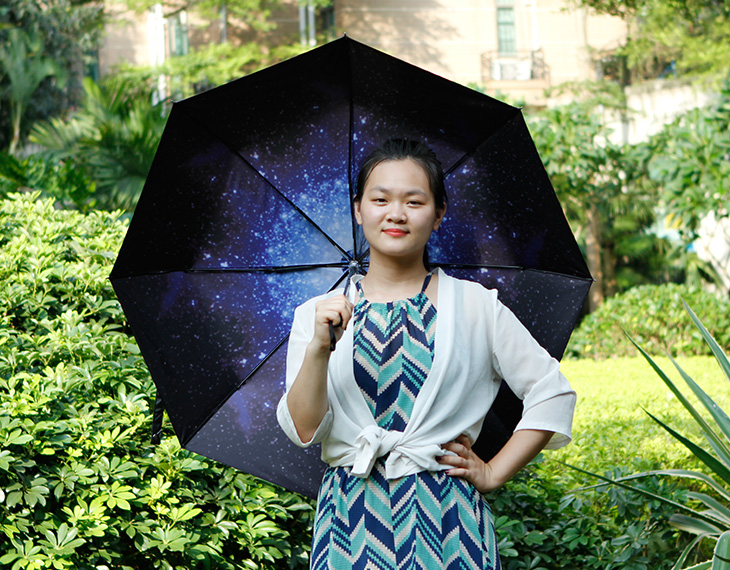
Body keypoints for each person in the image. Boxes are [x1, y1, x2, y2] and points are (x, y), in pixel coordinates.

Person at [277, 138, 576, 570]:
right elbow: (305, 429)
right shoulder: (317, 315)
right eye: (380, 199)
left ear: (438, 215)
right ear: (359, 210)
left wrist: (493, 472)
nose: (396, 213)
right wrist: (319, 349)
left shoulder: (475, 306)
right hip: (349, 524)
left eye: (414, 201)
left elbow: (552, 393)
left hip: (449, 523)